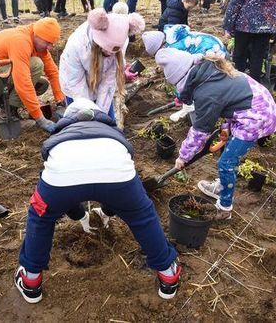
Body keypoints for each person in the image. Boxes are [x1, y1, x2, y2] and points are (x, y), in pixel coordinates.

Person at [14, 98, 181, 304]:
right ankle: (168, 274)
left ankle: (30, 282)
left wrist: (79, 214)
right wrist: (108, 211)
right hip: (119, 179)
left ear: (69, 118)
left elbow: (61, 184)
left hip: (60, 180)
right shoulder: (113, 132)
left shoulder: (61, 133)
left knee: (40, 217)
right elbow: (116, 185)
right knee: (143, 216)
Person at [155, 49, 276, 219]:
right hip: (253, 106)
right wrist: (225, 127)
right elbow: (230, 98)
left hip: (256, 117)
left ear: (183, 79)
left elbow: (200, 131)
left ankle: (224, 208)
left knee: (227, 162)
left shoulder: (207, 92)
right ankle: (222, 185)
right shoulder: (210, 72)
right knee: (227, 154)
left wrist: (183, 157)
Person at [0, 18, 65, 134]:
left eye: (52, 43)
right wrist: (40, 119)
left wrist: (61, 102)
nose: (50, 47)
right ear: (36, 35)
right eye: (48, 43)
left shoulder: (37, 41)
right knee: (35, 65)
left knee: (41, 84)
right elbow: (23, 83)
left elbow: (53, 72)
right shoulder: (21, 41)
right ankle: (7, 114)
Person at [59, 8, 145, 118]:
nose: (109, 53)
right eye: (105, 49)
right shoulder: (77, 45)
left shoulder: (121, 38)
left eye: (113, 51)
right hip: (75, 86)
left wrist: (102, 115)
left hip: (99, 82)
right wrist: (91, 113)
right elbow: (76, 83)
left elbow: (109, 80)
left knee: (108, 120)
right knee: (83, 125)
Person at [142, 24, 227, 57]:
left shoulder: (174, 48)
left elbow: (183, 66)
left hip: (213, 52)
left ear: (160, 46)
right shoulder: (172, 34)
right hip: (215, 44)